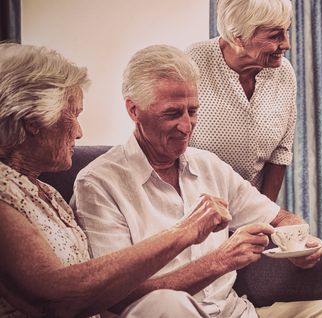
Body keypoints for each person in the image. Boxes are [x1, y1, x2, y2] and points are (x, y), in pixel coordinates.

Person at [72, 45, 322, 317]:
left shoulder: (208, 166)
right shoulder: (99, 184)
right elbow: (116, 297)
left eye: (192, 111)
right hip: (164, 314)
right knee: (165, 306)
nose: (186, 125)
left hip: (239, 313)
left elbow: (280, 218)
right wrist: (219, 262)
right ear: (134, 110)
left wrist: (298, 243)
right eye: (172, 114)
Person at [0, 43, 233, 317]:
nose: (79, 132)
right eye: (72, 114)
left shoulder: (45, 191)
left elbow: (105, 288)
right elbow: (56, 298)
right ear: (33, 121)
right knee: (167, 305)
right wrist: (184, 232)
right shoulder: (4, 192)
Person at [186, 0, 295, 201]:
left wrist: (263, 213)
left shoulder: (283, 71)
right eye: (275, 36)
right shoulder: (194, 63)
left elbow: (281, 152)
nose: (286, 44)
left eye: (286, 32)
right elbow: (172, 146)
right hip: (195, 203)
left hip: (252, 205)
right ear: (240, 38)